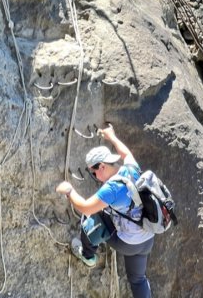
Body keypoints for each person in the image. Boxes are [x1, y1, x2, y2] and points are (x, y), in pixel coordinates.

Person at [56, 125, 154, 298]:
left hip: (128, 243)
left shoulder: (112, 188)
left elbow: (85, 206)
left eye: (93, 173)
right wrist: (112, 137)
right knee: (138, 279)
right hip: (147, 238)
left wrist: (70, 191)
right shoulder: (131, 168)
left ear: (101, 166)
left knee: (93, 217)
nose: (94, 177)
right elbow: (126, 154)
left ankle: (88, 256)